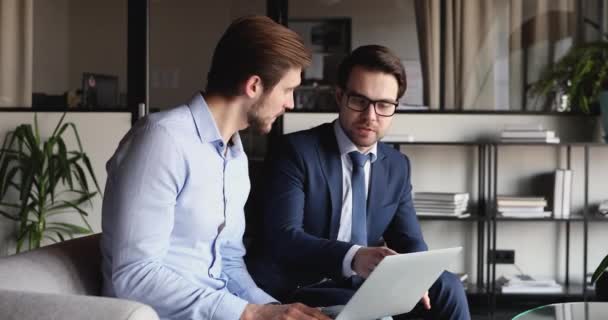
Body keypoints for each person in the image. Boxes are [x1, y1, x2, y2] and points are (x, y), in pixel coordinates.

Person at [100, 15, 331, 320]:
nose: (290, 104)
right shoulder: (162, 141)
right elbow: (135, 275)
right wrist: (251, 314)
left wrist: (275, 309)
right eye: (287, 90)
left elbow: (228, 262)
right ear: (254, 85)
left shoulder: (234, 156)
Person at [247, 45, 471, 319]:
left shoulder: (397, 165)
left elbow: (409, 239)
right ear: (340, 97)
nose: (370, 116)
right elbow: (284, 237)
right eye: (360, 101)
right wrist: (354, 256)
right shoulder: (296, 151)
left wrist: (419, 275)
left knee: (448, 287)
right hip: (304, 284)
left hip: (365, 283)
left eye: (384, 105)